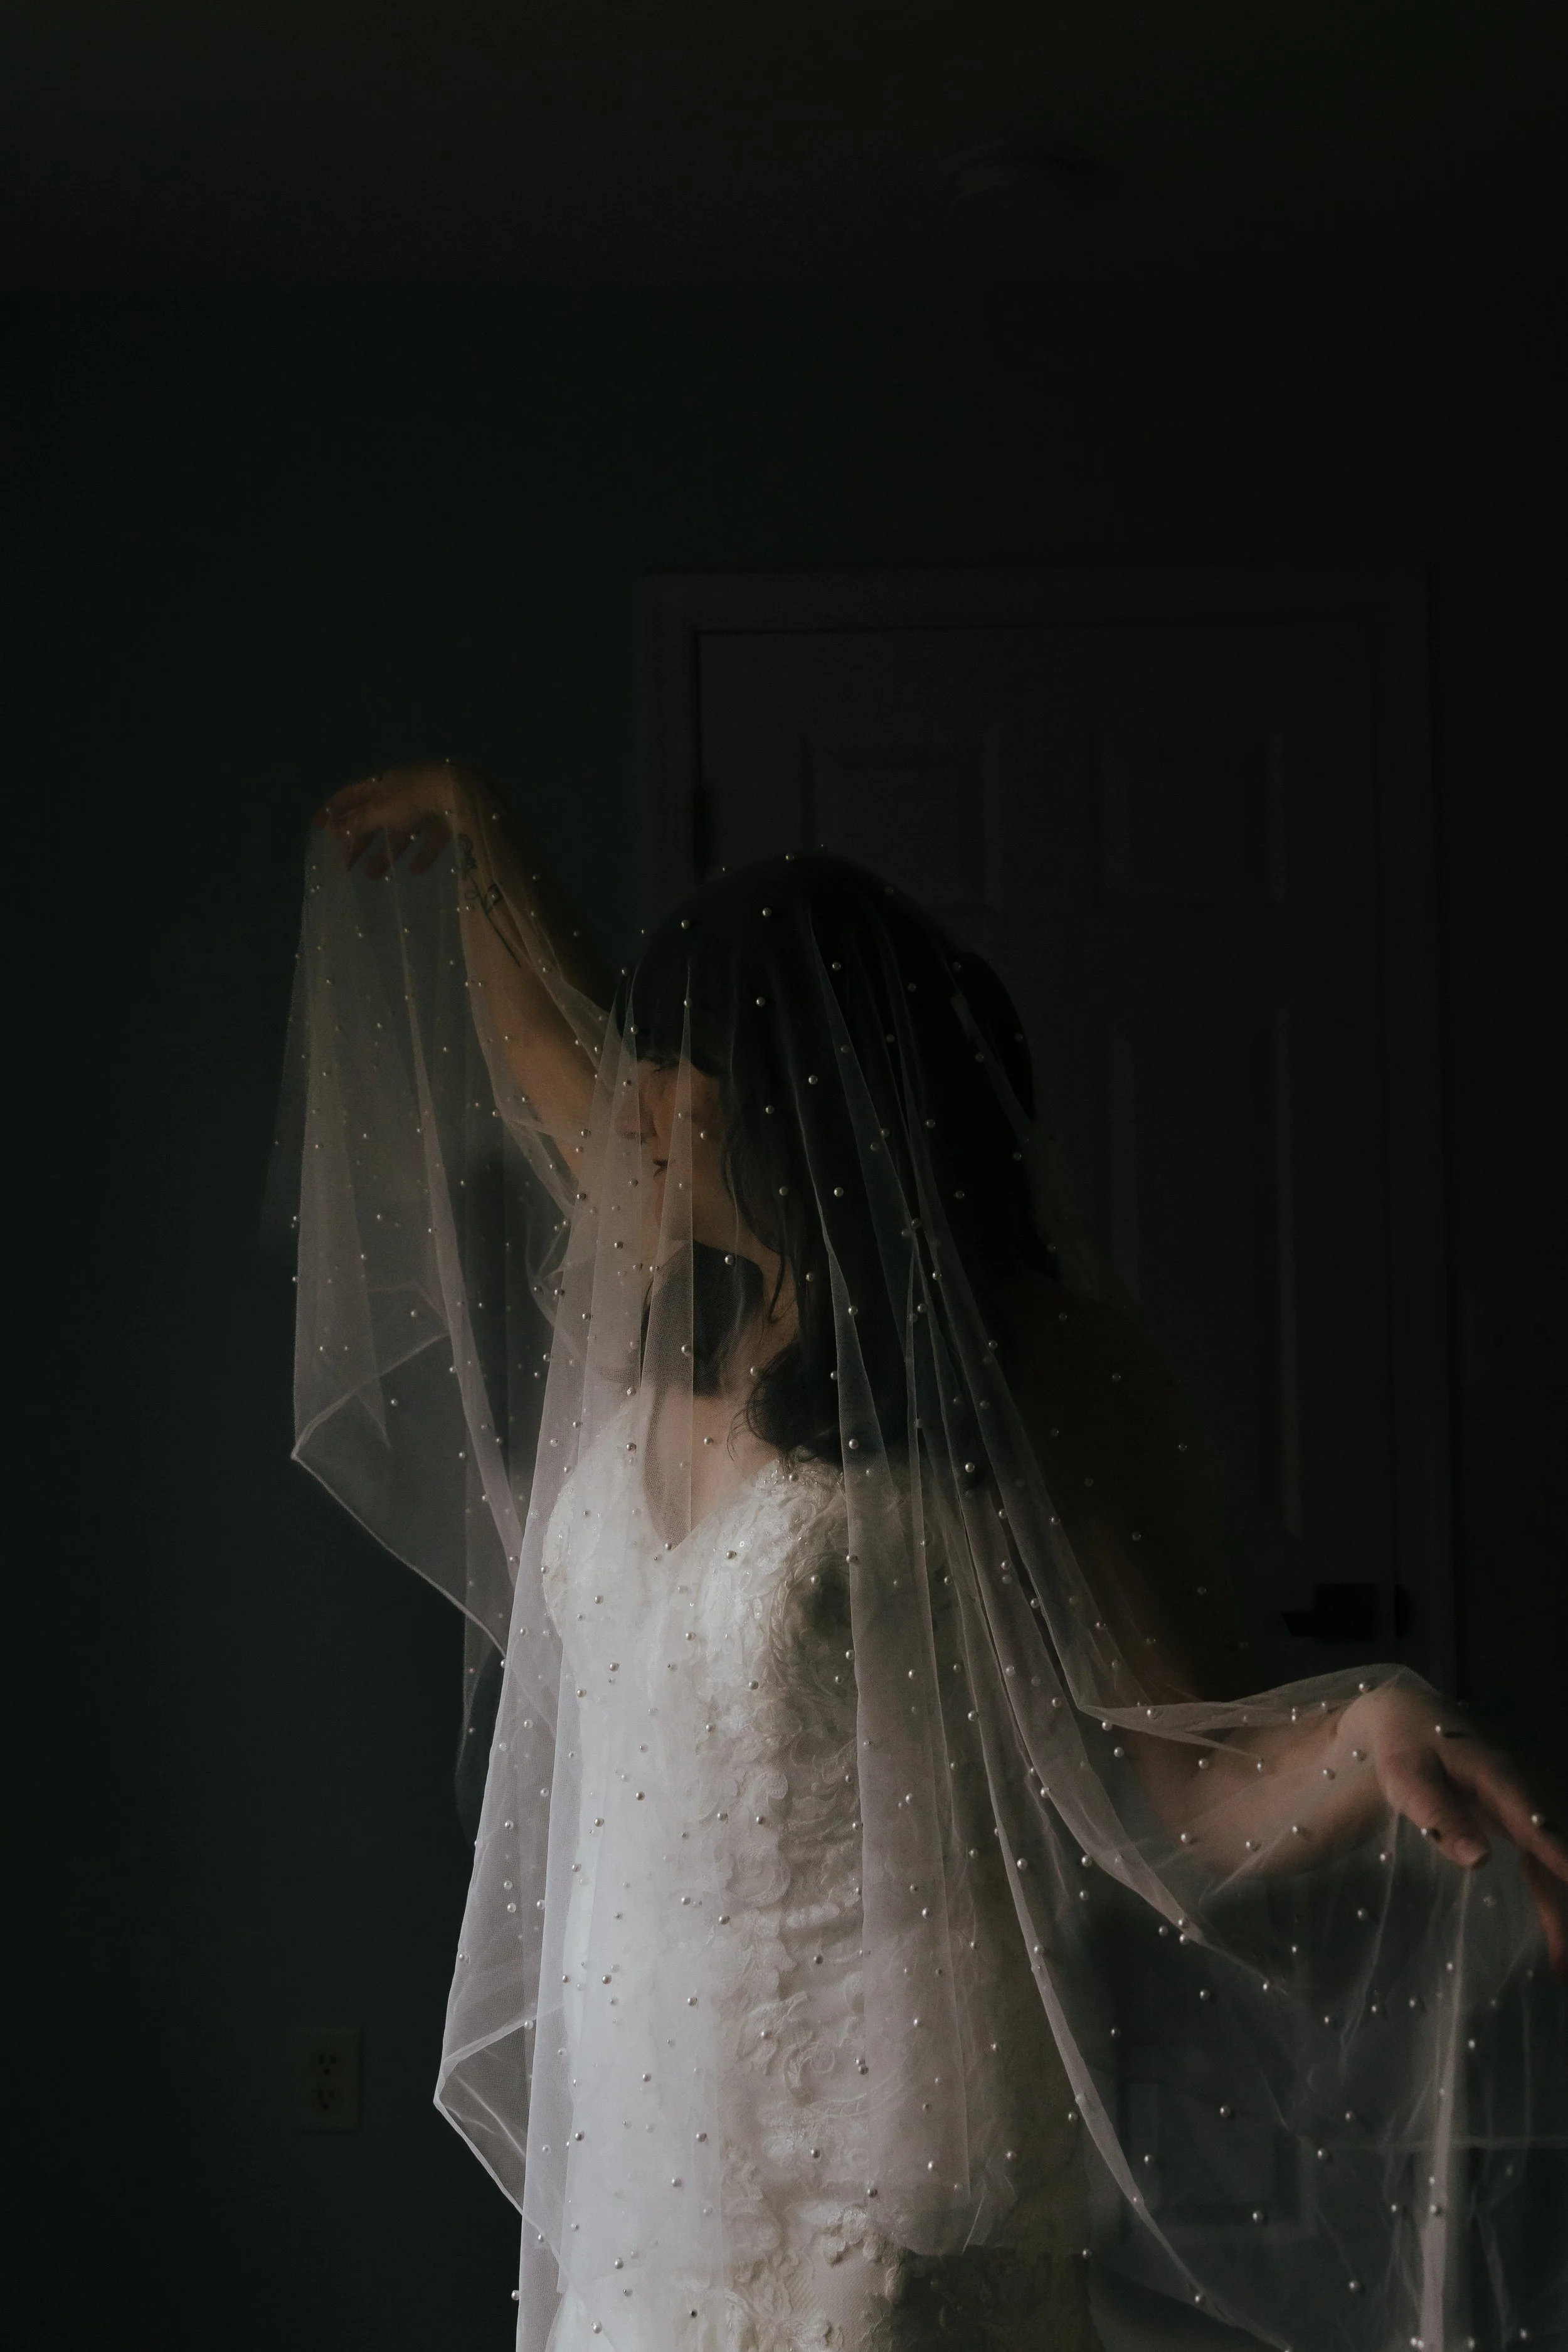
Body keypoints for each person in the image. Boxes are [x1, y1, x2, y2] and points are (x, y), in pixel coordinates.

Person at [273, 760, 1567, 2352]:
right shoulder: (678, 1304)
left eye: (668, 1073)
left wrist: (1364, 1735)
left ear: (773, 1093)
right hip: (637, 2143)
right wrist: (480, 835)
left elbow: (1170, 1781)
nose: (623, 1106)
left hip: (882, 2145)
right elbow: (546, 1050)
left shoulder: (1040, 1366)